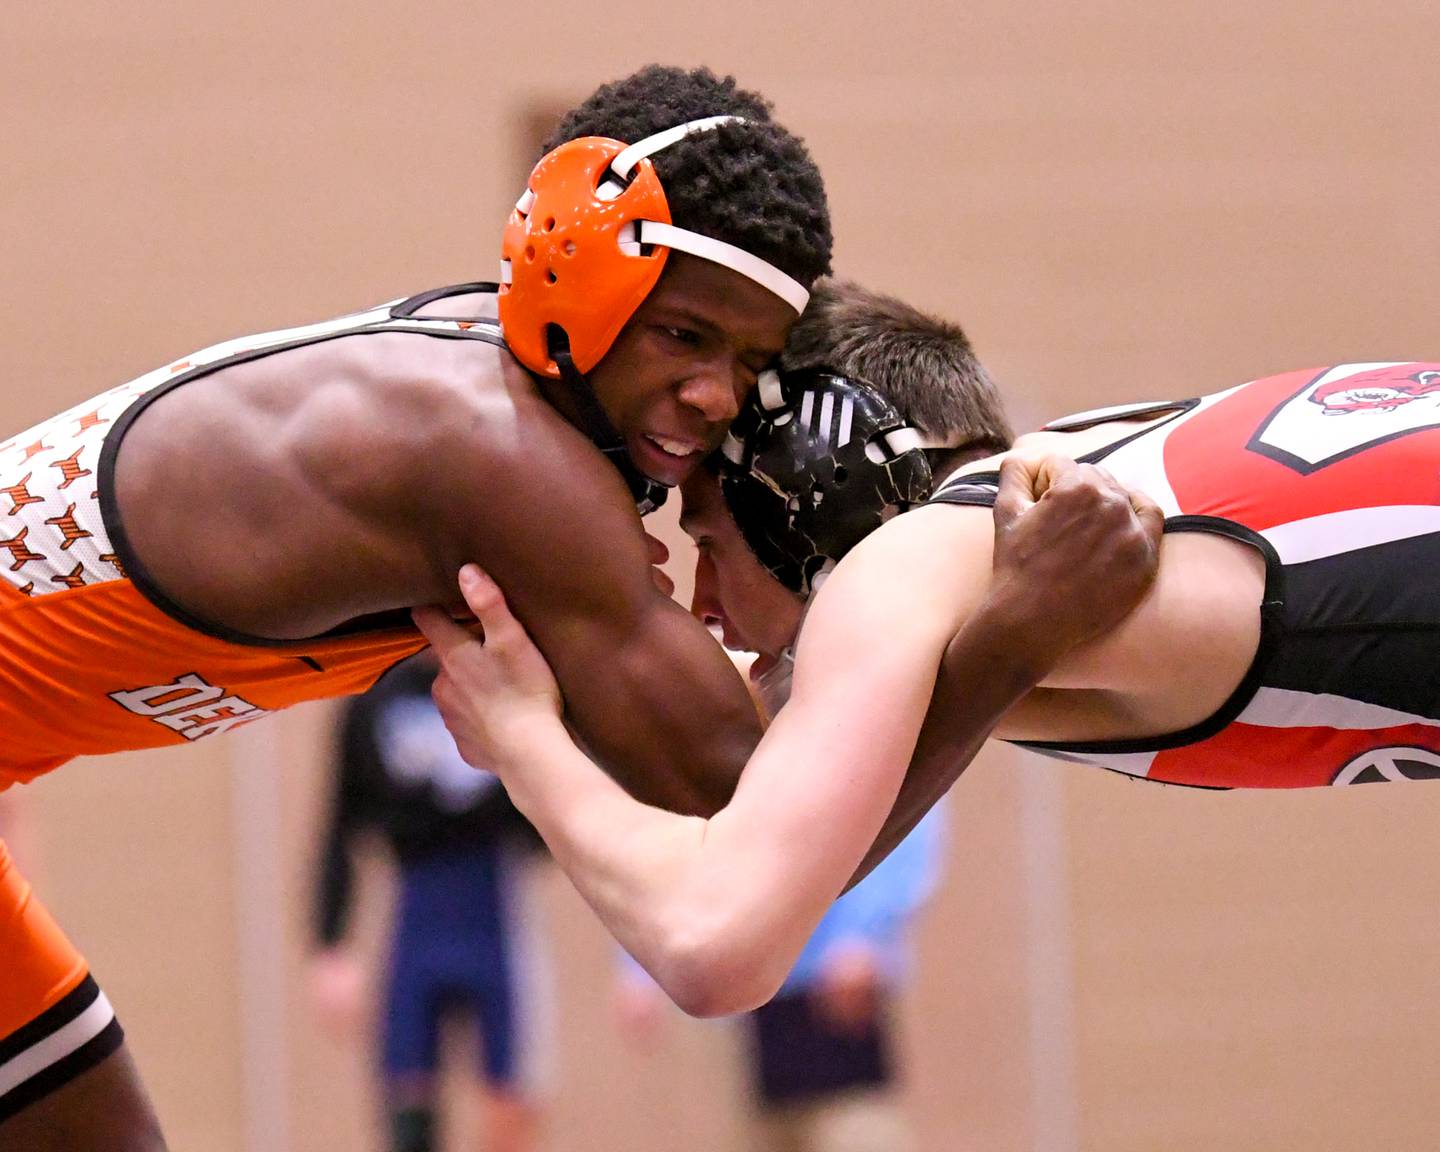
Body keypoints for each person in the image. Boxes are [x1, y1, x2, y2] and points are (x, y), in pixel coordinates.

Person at [0, 62, 850, 1149]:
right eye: (686, 337)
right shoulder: (493, 457)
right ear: (576, 278)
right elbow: (748, 803)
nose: (719, 398)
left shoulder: (506, 398)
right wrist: (991, 632)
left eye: (753, 363)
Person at [415, 276, 1440, 1019]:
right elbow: (751, 785)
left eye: (712, 545)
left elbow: (712, 942)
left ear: (809, 488)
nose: (706, 603)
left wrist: (518, 739)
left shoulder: (916, 555)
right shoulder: (1032, 524)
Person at [309, 652, 549, 1152]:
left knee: (510, 1095)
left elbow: (559, 807)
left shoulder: (506, 682)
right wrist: (331, 942)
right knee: (405, 1082)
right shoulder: (374, 695)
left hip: (496, 906)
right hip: (416, 908)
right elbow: (340, 822)